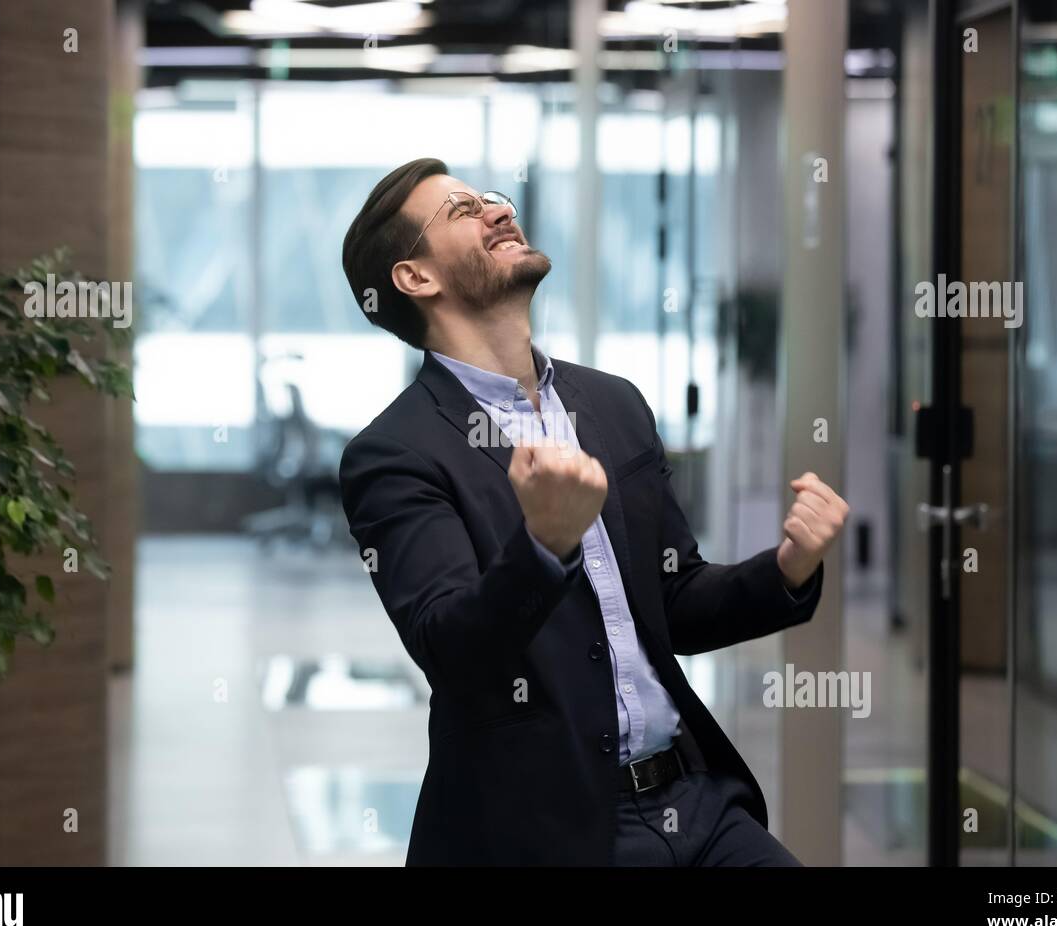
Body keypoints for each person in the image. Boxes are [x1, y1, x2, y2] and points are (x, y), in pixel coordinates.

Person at [338, 157, 849, 866]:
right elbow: (450, 648)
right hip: (553, 830)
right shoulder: (396, 454)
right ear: (416, 277)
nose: (497, 211)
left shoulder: (612, 404)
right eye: (460, 211)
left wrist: (787, 569)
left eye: (490, 199)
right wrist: (544, 547)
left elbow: (675, 600)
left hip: (695, 799)